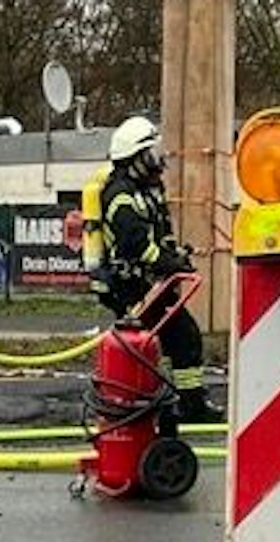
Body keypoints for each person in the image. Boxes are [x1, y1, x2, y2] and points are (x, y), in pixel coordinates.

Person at [96, 116, 217, 424]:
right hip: (131, 286)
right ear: (135, 158)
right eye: (152, 153)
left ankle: (177, 402)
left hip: (152, 283)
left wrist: (174, 256)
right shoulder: (120, 195)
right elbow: (134, 244)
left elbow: (160, 233)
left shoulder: (149, 190)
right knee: (174, 338)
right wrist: (166, 263)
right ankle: (173, 404)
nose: (158, 160)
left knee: (177, 339)